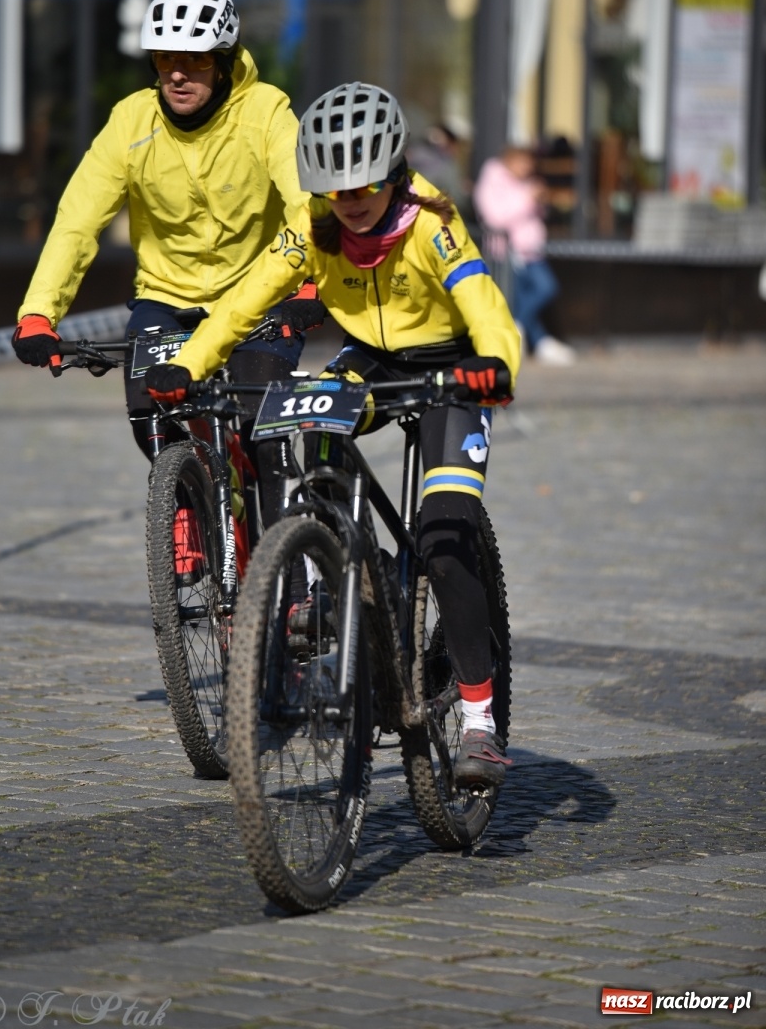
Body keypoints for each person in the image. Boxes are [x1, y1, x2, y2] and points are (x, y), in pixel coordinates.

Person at [143, 81, 522, 790]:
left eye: (365, 186)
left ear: (393, 172)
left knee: (443, 535)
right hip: (371, 363)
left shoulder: (431, 220)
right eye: (336, 188)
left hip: (450, 370)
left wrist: (494, 363)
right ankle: (336, 566)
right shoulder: (315, 226)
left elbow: (482, 298)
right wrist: (186, 364)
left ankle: (479, 721)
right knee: (301, 433)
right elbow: (246, 299)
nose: (350, 201)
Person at [10, 0, 324, 531]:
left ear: (223, 64)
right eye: (164, 58)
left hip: (260, 297)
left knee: (261, 430)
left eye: (195, 59)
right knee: (150, 416)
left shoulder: (267, 112)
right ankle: (186, 510)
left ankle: (293, 583)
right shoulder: (131, 122)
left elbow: (307, 206)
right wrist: (39, 314)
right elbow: (78, 221)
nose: (177, 73)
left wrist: (307, 286)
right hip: (166, 298)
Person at [473, 144, 576, 365]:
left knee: (537, 293)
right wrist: (528, 198)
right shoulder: (493, 180)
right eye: (523, 162)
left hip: (531, 251)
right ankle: (535, 340)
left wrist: (540, 201)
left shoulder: (527, 182)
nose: (527, 167)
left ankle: (527, 334)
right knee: (535, 291)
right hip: (507, 253)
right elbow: (496, 218)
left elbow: (533, 216)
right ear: (510, 161)